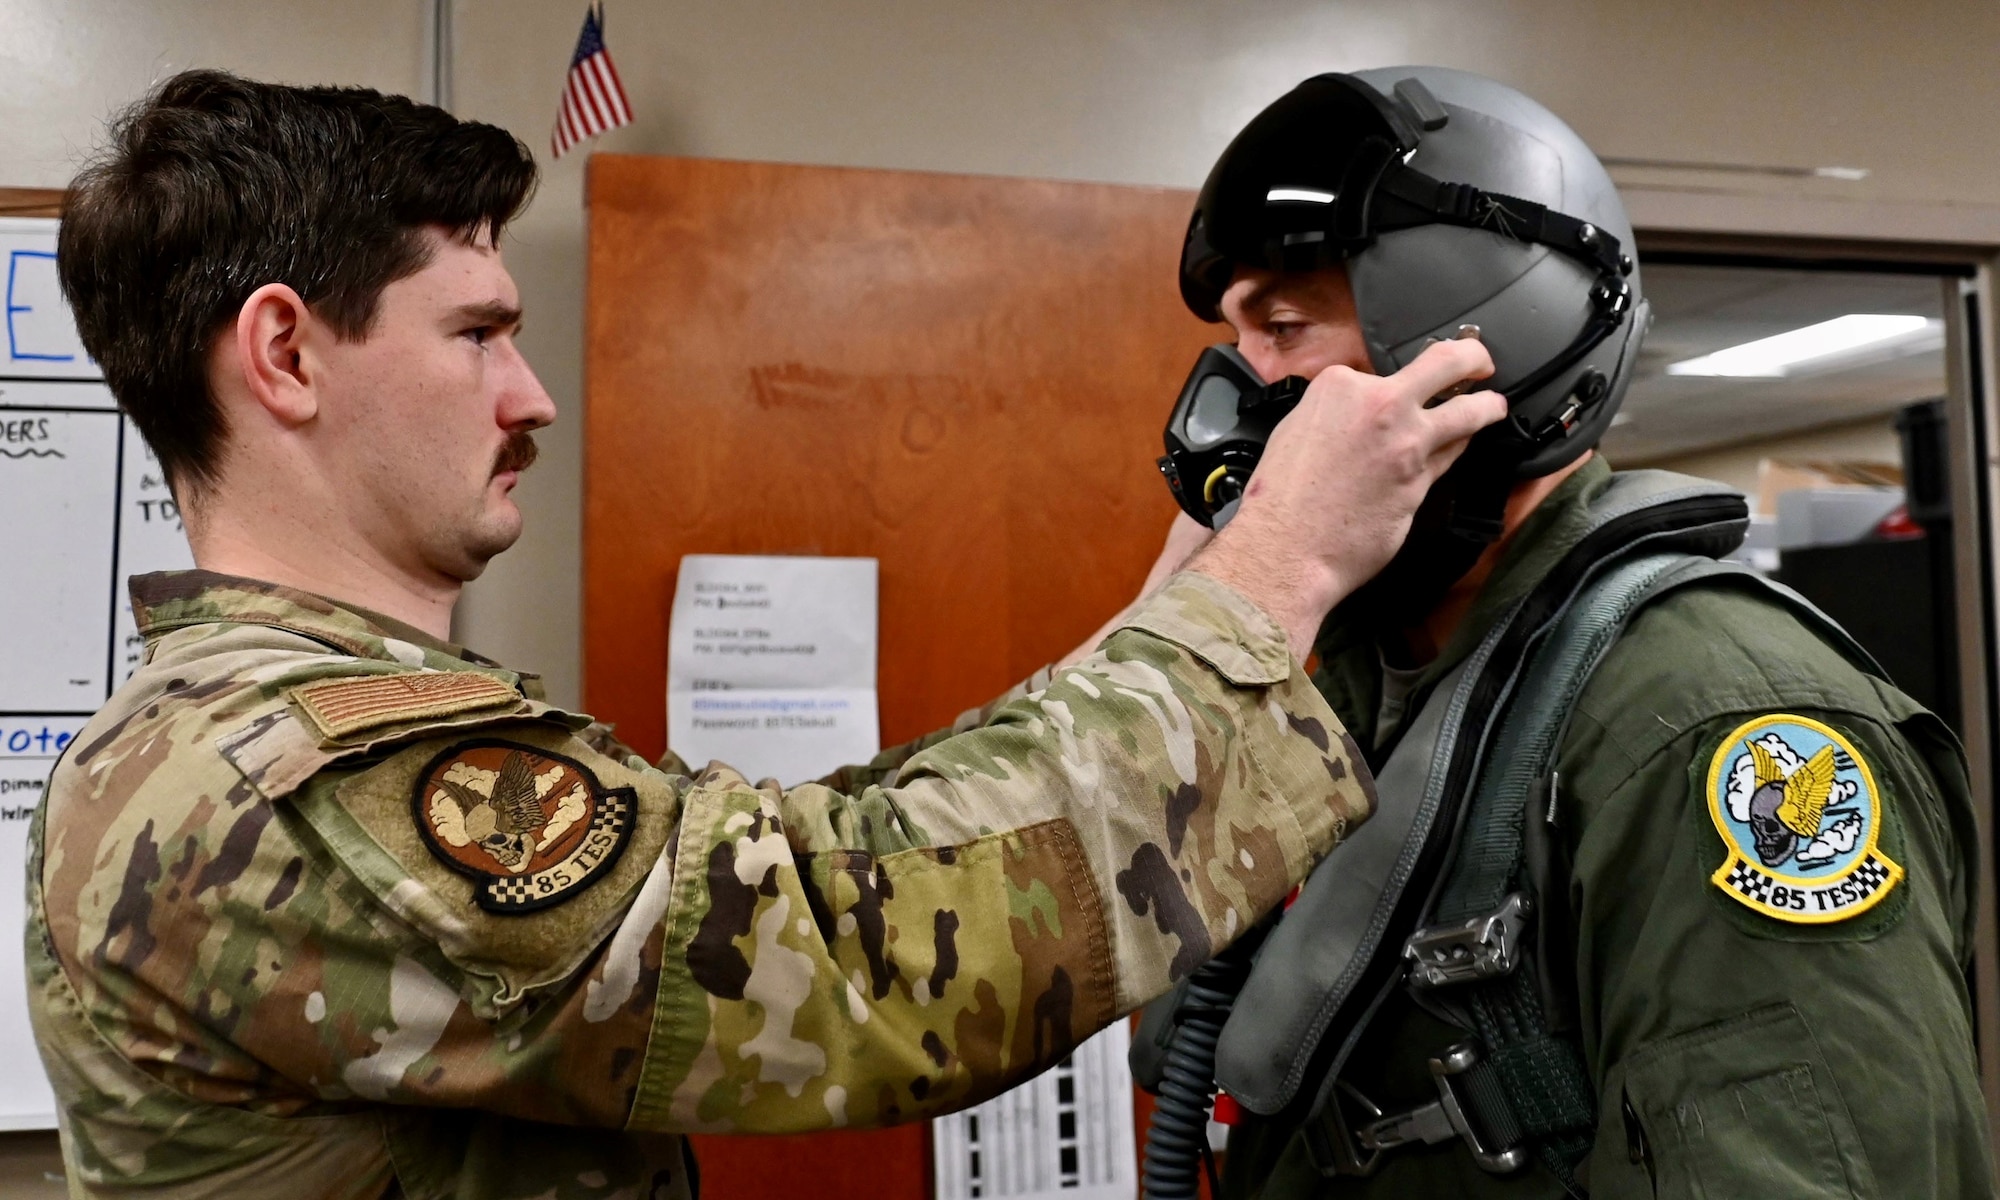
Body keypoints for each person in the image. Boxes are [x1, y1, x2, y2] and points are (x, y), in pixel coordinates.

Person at [24, 72, 1506, 1199]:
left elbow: (810, 845)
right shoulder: (307, 780)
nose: (530, 397)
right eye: (476, 333)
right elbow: (868, 957)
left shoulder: (269, 730)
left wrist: (1190, 602)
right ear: (285, 353)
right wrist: (1277, 577)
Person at [1143, 67, 1994, 1198]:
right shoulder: (1365, 689)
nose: (1235, 394)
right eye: (1236, 340)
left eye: (1284, 327)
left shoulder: (1711, 720)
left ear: (1469, 338)